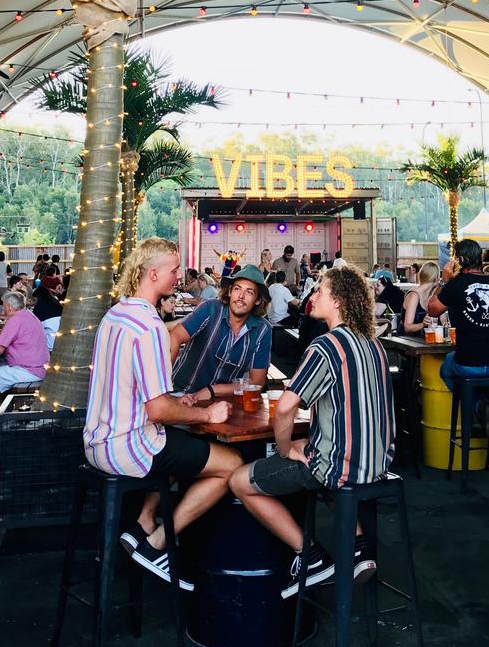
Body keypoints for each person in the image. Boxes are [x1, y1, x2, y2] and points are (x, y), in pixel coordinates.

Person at [83, 237, 241, 591]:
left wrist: (177, 404)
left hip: (96, 441)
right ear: (153, 274)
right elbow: (157, 409)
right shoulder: (150, 325)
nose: (178, 276)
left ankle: (142, 523)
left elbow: (143, 395)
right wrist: (208, 414)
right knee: (231, 465)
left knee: (181, 443)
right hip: (127, 446)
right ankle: (156, 546)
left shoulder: (115, 314)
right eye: (173, 270)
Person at [229, 264, 394, 598]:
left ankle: (310, 555)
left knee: (239, 481)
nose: (313, 295)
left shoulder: (326, 346)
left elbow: (287, 406)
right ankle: (359, 547)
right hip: (379, 465)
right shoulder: (374, 344)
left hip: (341, 468)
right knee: (320, 456)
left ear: (337, 300)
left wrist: (286, 448)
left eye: (319, 290)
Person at [427, 240, 489, 393]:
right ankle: (487, 405)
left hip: (467, 362)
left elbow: (432, 309)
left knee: (446, 369)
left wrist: (443, 281)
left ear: (460, 260)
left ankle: (475, 405)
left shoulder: (454, 285)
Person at [170, 264, 272, 397]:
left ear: (258, 300)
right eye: (237, 289)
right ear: (230, 292)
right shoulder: (211, 309)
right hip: (181, 392)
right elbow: (175, 337)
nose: (241, 296)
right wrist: (163, 385)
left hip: (221, 402)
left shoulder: (262, 329)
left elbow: (256, 384)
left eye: (249, 292)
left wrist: (212, 390)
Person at [0, 290, 49, 401]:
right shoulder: (30, 315)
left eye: (4, 306)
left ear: (9, 307)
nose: (3, 309)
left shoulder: (15, 319)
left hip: (29, 370)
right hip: (41, 367)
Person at [402, 261, 440, 335]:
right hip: (408, 342)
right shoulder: (414, 295)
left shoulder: (431, 295)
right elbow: (407, 327)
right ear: (436, 278)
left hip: (425, 341)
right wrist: (423, 324)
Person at [32, 275, 64, 351]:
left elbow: (33, 324)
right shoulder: (55, 302)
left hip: (49, 345)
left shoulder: (40, 306)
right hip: (60, 340)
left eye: (35, 299)